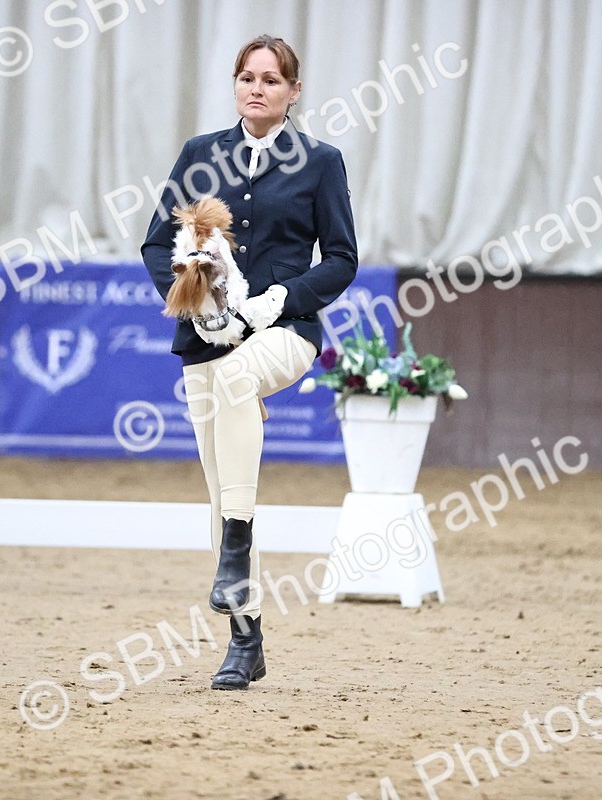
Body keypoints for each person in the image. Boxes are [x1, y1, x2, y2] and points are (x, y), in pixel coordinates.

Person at [141, 34, 358, 690]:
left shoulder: (321, 162)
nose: (256, 87)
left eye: (271, 79)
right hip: (207, 336)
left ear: (294, 91)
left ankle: (236, 547)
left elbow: (343, 258)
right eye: (246, 77)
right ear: (235, 86)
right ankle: (246, 638)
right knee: (218, 492)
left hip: (284, 331)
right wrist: (194, 298)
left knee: (241, 381)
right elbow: (156, 245)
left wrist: (280, 299)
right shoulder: (200, 155)